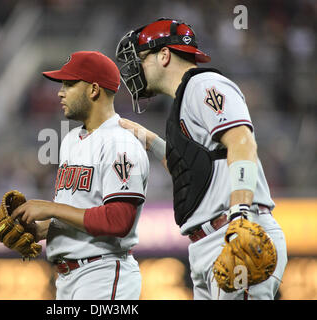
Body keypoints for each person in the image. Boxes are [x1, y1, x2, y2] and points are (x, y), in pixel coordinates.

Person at [115, 18, 287, 300]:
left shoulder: (204, 84)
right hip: (209, 242)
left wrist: (240, 214)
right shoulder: (185, 98)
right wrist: (152, 142)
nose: (135, 68)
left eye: (141, 58)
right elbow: (193, 172)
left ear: (165, 55)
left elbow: (242, 142)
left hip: (235, 233)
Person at [11, 51, 149, 300]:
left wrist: (51, 209)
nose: (60, 92)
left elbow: (118, 221)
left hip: (103, 274)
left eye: (69, 84)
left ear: (94, 89)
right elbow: (80, 210)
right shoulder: (71, 140)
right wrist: (41, 231)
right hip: (68, 278)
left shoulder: (120, 142)